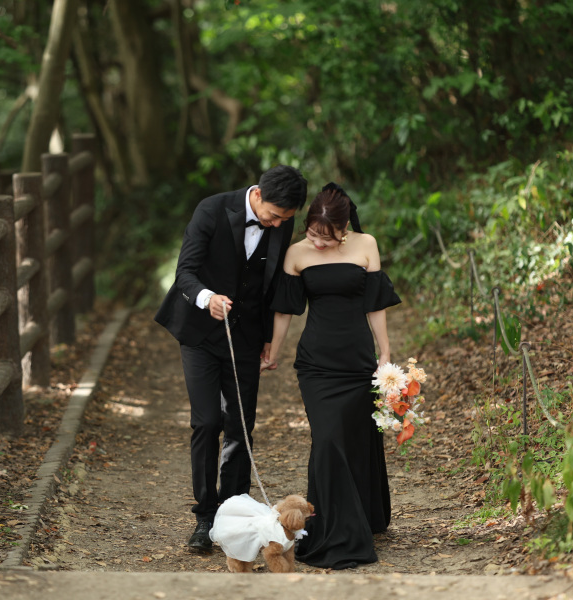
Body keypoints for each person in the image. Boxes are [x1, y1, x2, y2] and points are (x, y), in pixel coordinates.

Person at [155, 165, 308, 552]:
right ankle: (205, 516)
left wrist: (272, 340)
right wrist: (208, 298)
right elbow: (185, 271)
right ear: (257, 195)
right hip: (200, 334)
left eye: (285, 220)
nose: (276, 225)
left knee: (240, 427)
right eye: (274, 216)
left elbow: (272, 285)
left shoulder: (281, 222)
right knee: (207, 423)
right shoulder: (211, 210)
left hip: (246, 337)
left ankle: (234, 513)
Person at [261, 182, 401, 569]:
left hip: (357, 360)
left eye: (328, 237)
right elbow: (286, 310)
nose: (318, 243)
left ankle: (364, 516)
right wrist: (273, 349)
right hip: (317, 364)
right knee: (327, 441)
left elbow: (375, 305)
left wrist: (384, 350)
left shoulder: (366, 245)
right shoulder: (295, 254)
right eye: (312, 234)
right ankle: (332, 530)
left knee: (356, 439)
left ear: (344, 229)